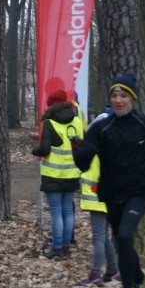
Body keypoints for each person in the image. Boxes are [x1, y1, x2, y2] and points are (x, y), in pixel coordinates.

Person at [74, 73, 145, 288]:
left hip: (139, 192)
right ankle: (140, 278)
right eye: (114, 95)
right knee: (123, 243)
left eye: (124, 96)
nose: (119, 100)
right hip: (111, 193)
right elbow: (84, 161)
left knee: (123, 235)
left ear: (132, 98)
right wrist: (77, 149)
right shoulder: (101, 127)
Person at [31, 90, 83, 259]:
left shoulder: (49, 123)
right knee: (68, 210)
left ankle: (57, 247)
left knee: (56, 211)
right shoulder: (77, 121)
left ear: (52, 105)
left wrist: (35, 150)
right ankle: (66, 246)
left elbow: (45, 150)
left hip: (53, 174)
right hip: (72, 172)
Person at [75, 112, 119, 287]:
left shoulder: (95, 148)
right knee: (105, 236)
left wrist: (78, 149)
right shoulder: (114, 148)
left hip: (96, 197)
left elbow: (84, 164)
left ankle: (95, 274)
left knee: (99, 237)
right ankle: (113, 269)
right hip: (110, 197)